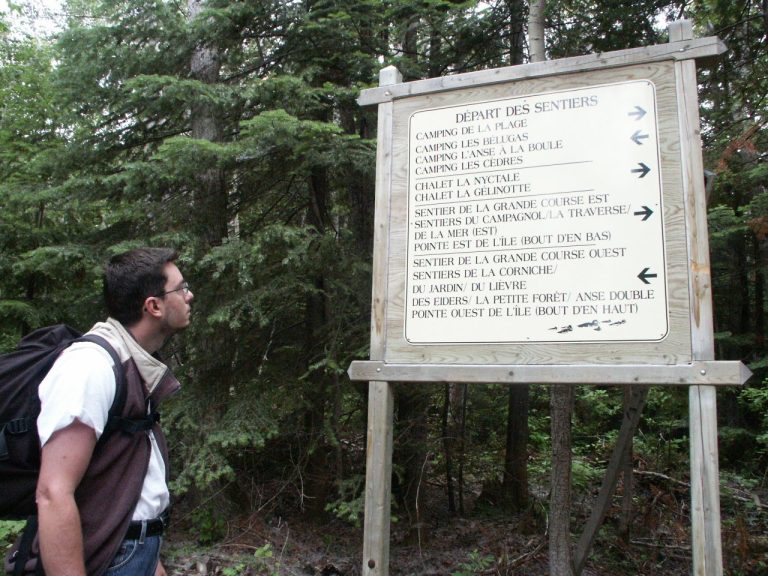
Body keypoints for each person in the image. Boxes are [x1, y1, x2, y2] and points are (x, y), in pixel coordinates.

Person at [34, 247, 193, 576]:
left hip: (134, 551)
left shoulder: (133, 361)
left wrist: (152, 563)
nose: (189, 296)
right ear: (154, 306)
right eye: (181, 288)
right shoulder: (89, 367)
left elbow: (123, 468)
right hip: (107, 559)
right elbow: (53, 493)